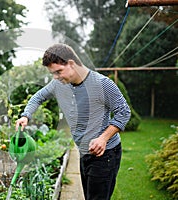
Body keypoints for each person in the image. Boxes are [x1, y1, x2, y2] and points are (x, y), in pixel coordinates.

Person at [15, 43, 131, 200]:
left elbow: (123, 112)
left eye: (59, 72)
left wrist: (103, 138)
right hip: (84, 152)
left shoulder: (102, 84)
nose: (56, 77)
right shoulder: (60, 84)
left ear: (71, 63)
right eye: (53, 74)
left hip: (105, 154)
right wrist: (25, 115)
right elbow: (38, 96)